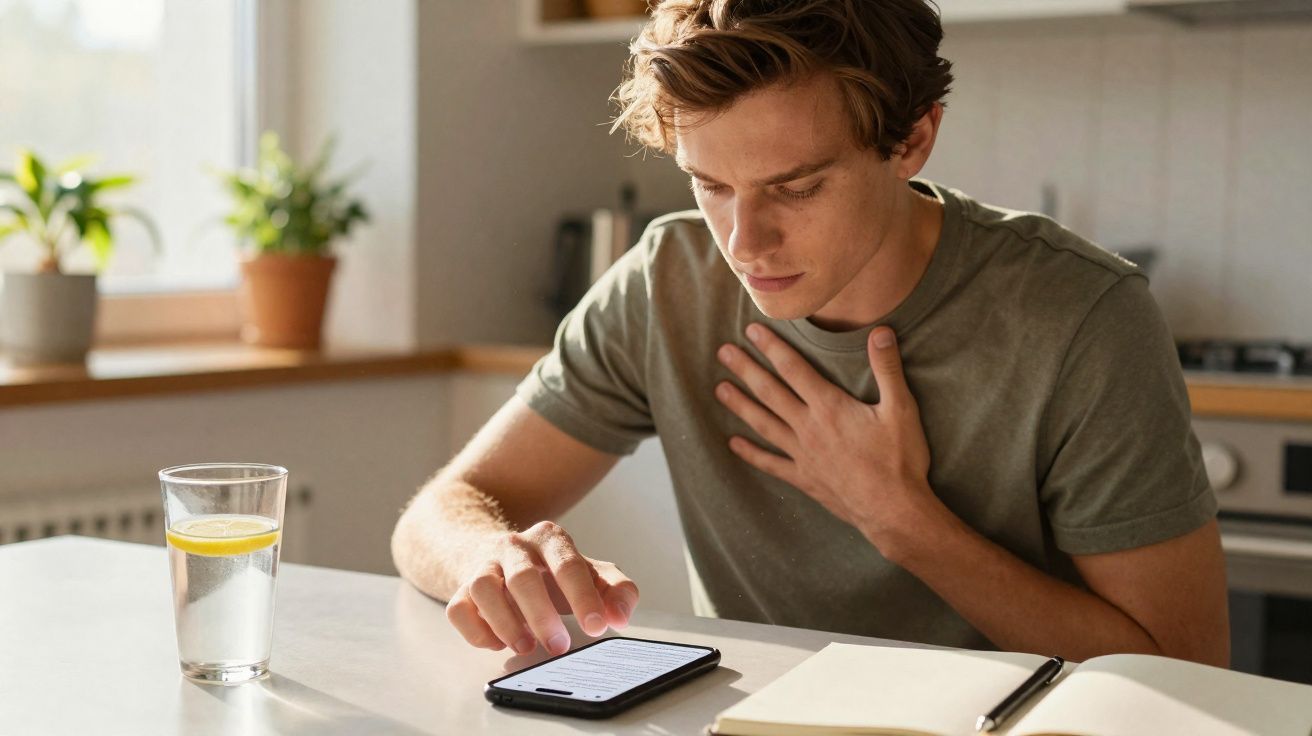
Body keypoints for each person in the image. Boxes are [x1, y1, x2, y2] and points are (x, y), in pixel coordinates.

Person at [392, 0, 1229, 666]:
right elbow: (439, 512)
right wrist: (485, 558)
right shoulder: (667, 282)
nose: (744, 244)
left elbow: (1185, 668)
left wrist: (903, 520)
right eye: (709, 185)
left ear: (913, 140)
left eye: (796, 187)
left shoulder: (1082, 316)